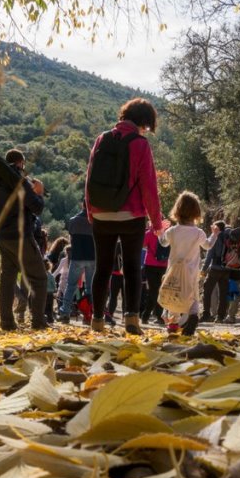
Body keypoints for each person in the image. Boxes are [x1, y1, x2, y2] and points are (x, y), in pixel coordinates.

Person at [85, 98, 164, 335]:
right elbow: (149, 187)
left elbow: (89, 178)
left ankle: (97, 321)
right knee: (131, 268)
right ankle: (131, 321)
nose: (146, 131)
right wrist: (157, 223)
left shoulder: (102, 138)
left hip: (101, 214)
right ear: (143, 122)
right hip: (131, 216)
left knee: (102, 268)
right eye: (148, 126)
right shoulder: (140, 144)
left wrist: (91, 211)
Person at [0, 150, 49, 331]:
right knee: (39, 278)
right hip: (21, 236)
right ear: (21, 163)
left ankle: (7, 323)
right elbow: (37, 207)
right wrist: (38, 192)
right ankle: (38, 321)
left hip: (3, 237)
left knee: (7, 279)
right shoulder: (20, 181)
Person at [159, 192, 218, 335]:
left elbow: (163, 243)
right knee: (192, 295)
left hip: (173, 270)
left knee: (174, 294)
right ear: (196, 212)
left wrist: (161, 231)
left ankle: (173, 324)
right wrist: (215, 234)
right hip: (191, 272)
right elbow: (208, 246)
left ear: (177, 210)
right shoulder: (198, 233)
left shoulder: (172, 231)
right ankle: (193, 316)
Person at [59, 202, 95, 324]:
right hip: (92, 258)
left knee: (71, 286)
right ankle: (88, 315)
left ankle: (65, 313)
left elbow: (71, 238)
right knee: (90, 288)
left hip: (77, 257)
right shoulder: (95, 221)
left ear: (82, 206)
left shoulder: (73, 220)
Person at [200, 220, 231, 323]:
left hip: (215, 269)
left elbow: (209, 256)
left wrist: (203, 270)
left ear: (217, 228)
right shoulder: (230, 237)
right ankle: (220, 316)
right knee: (223, 293)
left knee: (207, 290)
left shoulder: (215, 237)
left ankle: (206, 314)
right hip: (227, 269)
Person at [141, 221, 170, 324]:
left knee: (153, 291)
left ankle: (151, 316)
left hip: (150, 264)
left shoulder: (149, 233)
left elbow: (143, 245)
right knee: (159, 291)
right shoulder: (166, 233)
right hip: (164, 265)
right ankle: (153, 316)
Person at [105, 243, 124, 325]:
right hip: (125, 275)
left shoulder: (114, 246)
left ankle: (110, 314)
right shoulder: (129, 245)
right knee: (125, 297)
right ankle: (125, 316)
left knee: (113, 296)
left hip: (115, 274)